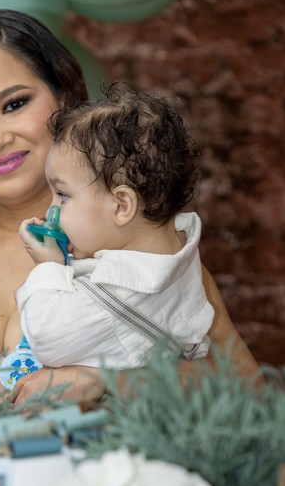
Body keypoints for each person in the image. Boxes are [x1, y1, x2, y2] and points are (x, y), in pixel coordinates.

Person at [0, 9, 261, 406]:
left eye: (14, 104)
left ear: (64, 98)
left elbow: (248, 389)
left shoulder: (149, 254)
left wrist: (106, 382)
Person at [16, 85, 214, 371]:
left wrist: (49, 267)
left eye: (63, 195)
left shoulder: (118, 297)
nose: (50, 212)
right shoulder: (176, 254)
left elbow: (44, 339)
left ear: (121, 206)